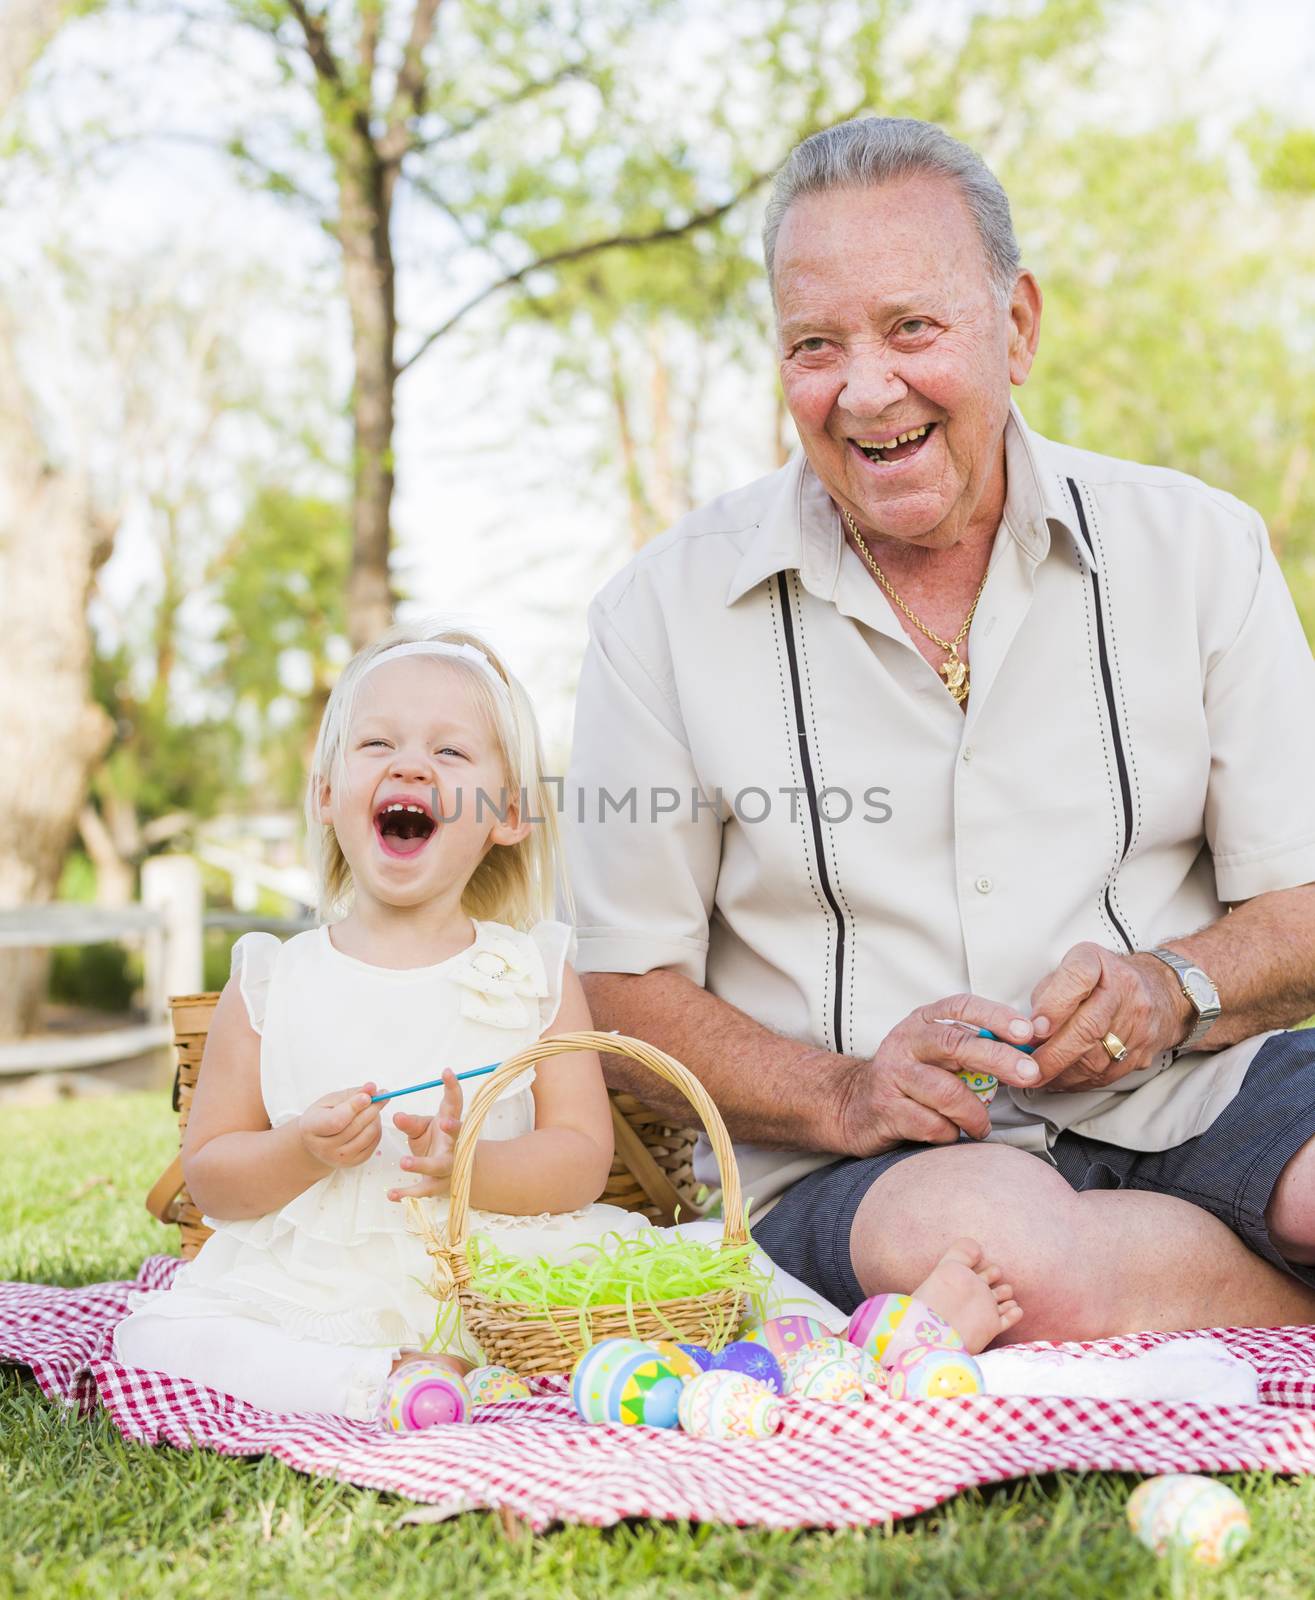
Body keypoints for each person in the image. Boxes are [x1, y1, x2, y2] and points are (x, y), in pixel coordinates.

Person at [563, 116, 1315, 1343]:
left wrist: (1168, 987)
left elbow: (1304, 907)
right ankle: (1221, 1300)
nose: (866, 390)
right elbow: (622, 993)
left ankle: (1169, 1299)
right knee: (1006, 1260)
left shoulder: (1200, 549)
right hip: (862, 1169)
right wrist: (849, 1090)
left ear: (1014, 327)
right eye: (816, 345)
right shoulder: (657, 614)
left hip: (1192, 1089)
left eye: (913, 328)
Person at [114, 621, 1019, 1421]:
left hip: (511, 1273)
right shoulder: (273, 979)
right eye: (376, 742)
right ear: (324, 795)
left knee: (718, 1267)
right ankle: (377, 1384)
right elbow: (215, 1179)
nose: (410, 765)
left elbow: (580, 1159)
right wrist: (302, 1150)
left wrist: (468, 1164)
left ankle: (876, 1343)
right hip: (321, 1280)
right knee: (157, 1335)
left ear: (506, 815)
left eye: (452, 754)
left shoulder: (532, 970)